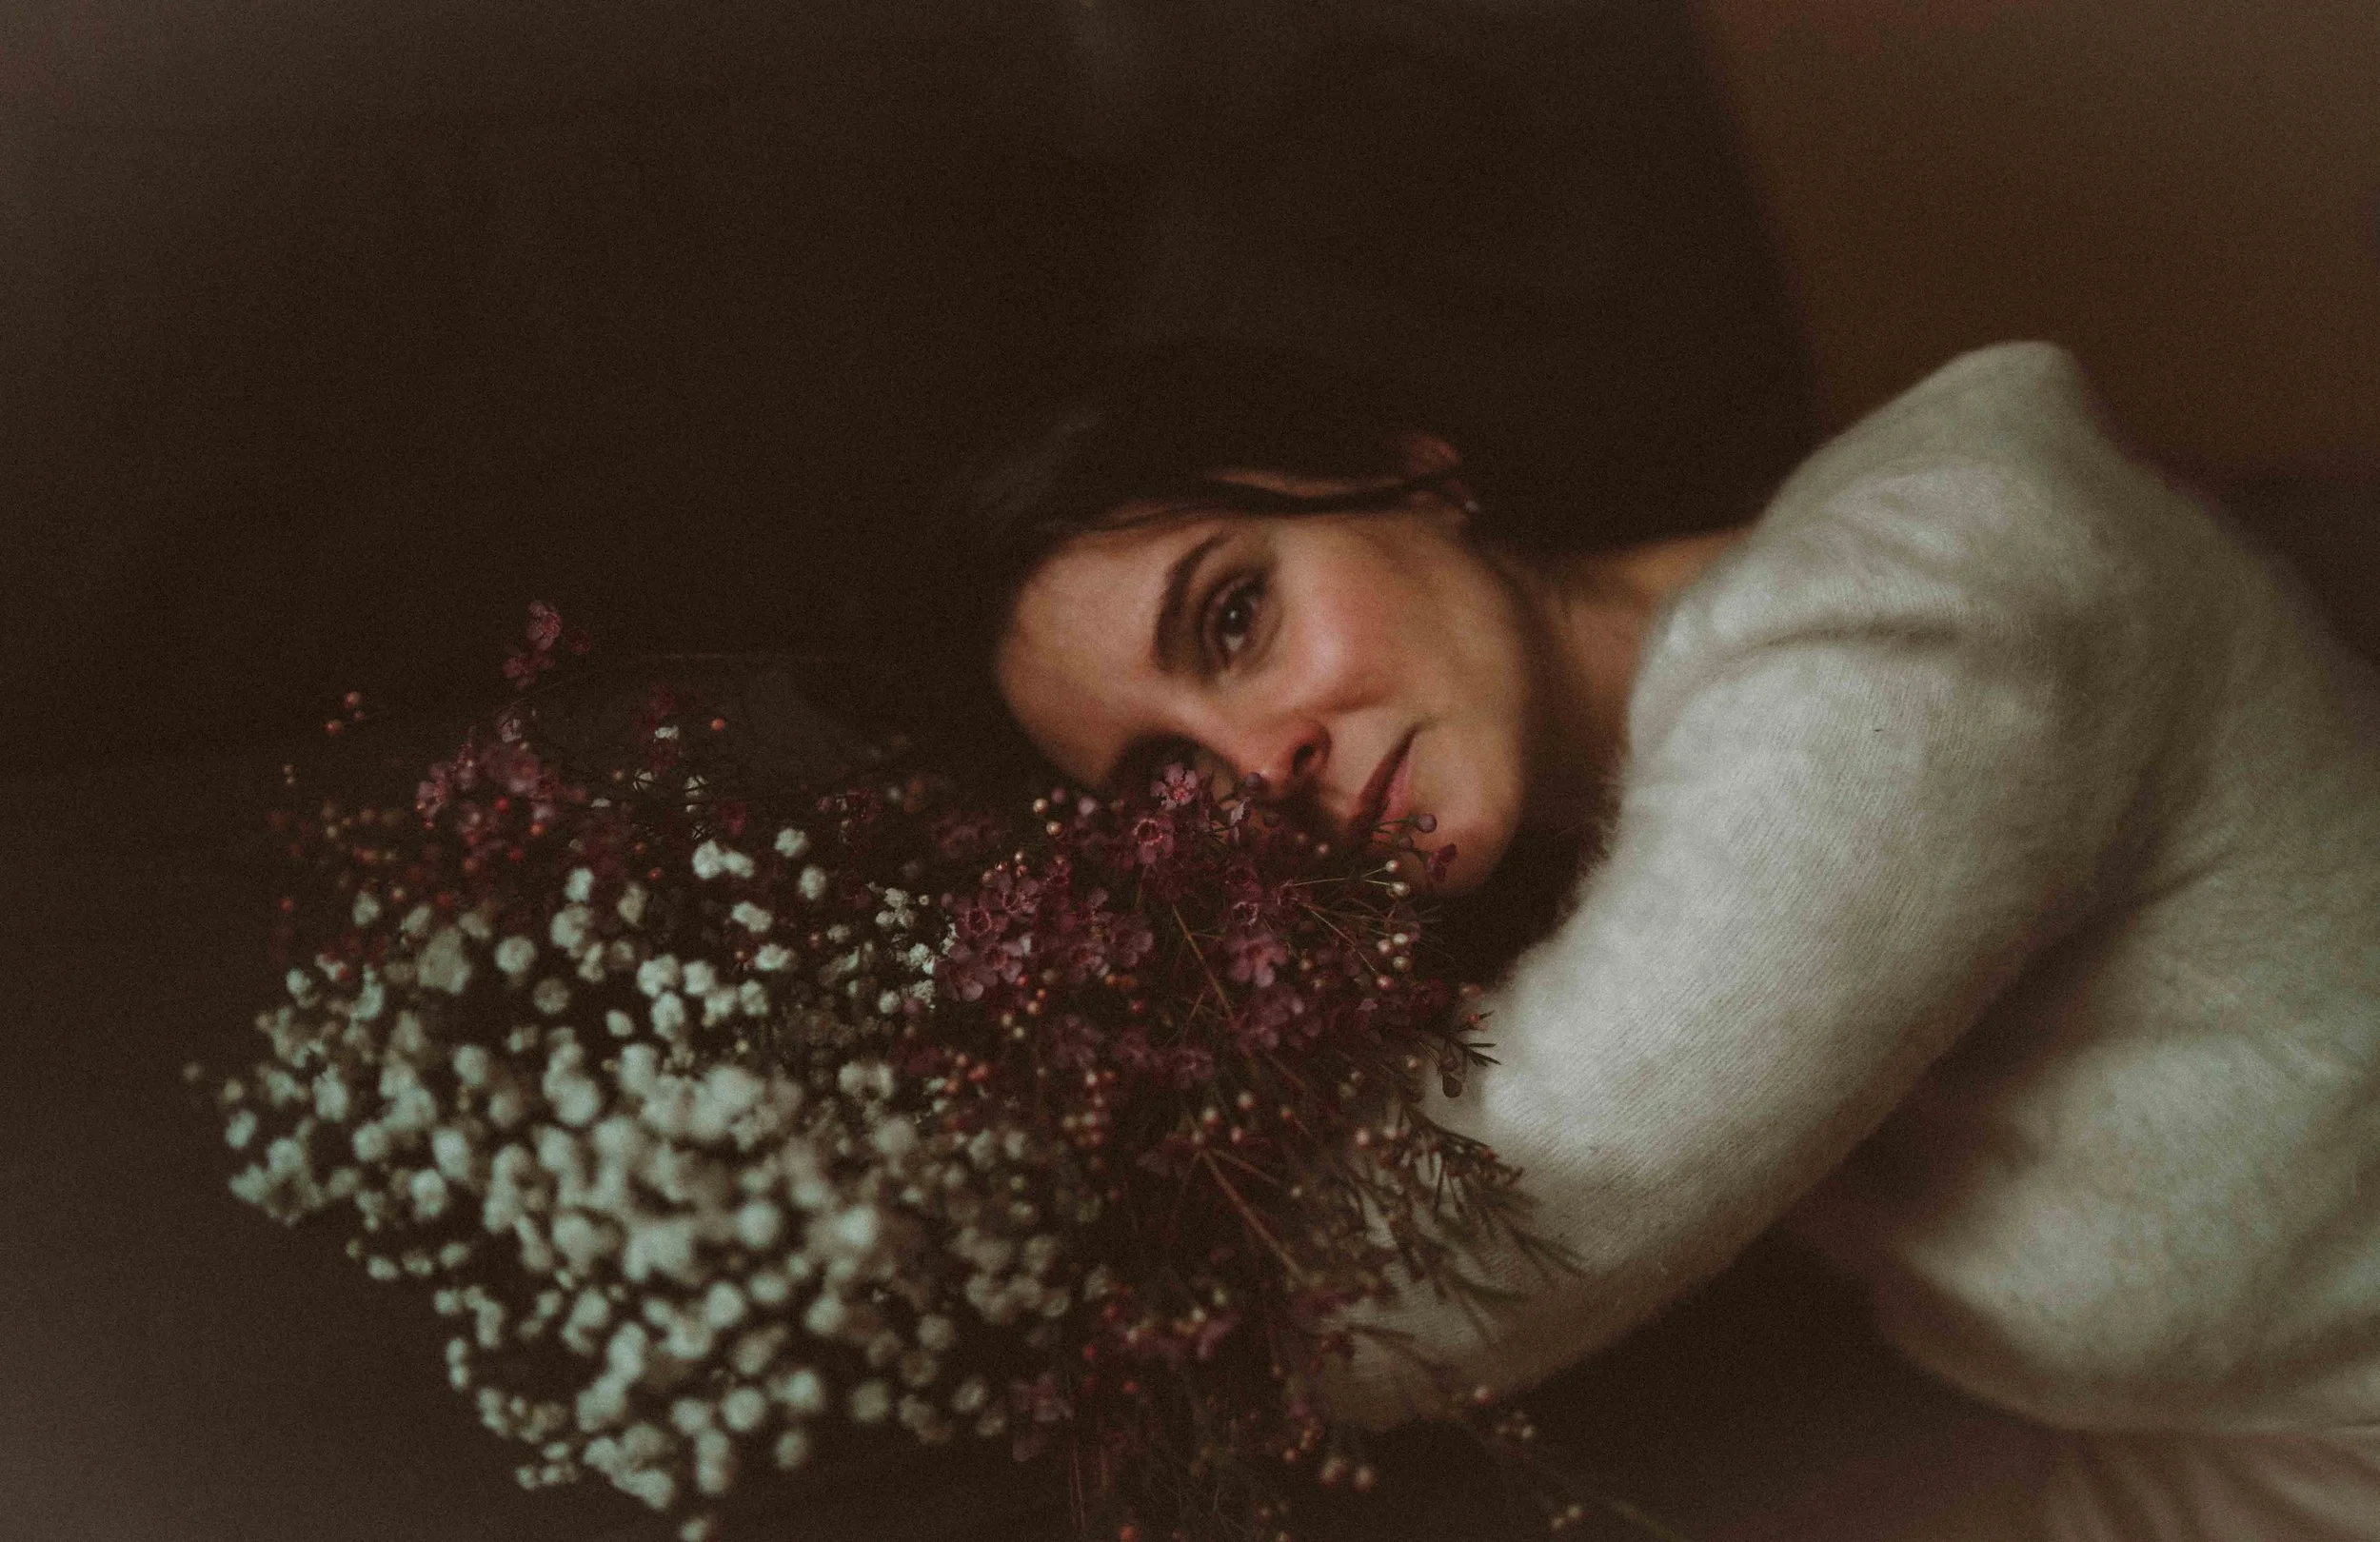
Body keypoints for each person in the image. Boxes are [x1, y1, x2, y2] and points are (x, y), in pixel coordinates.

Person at [930, 338, 2380, 1539]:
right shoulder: (1627, 834)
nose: (1262, 771)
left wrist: (934, 1221)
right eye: (1176, 787)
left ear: (1416, 472)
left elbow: (1427, 1283)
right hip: (2237, 1448)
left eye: (1236, 616)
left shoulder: (1921, 618)